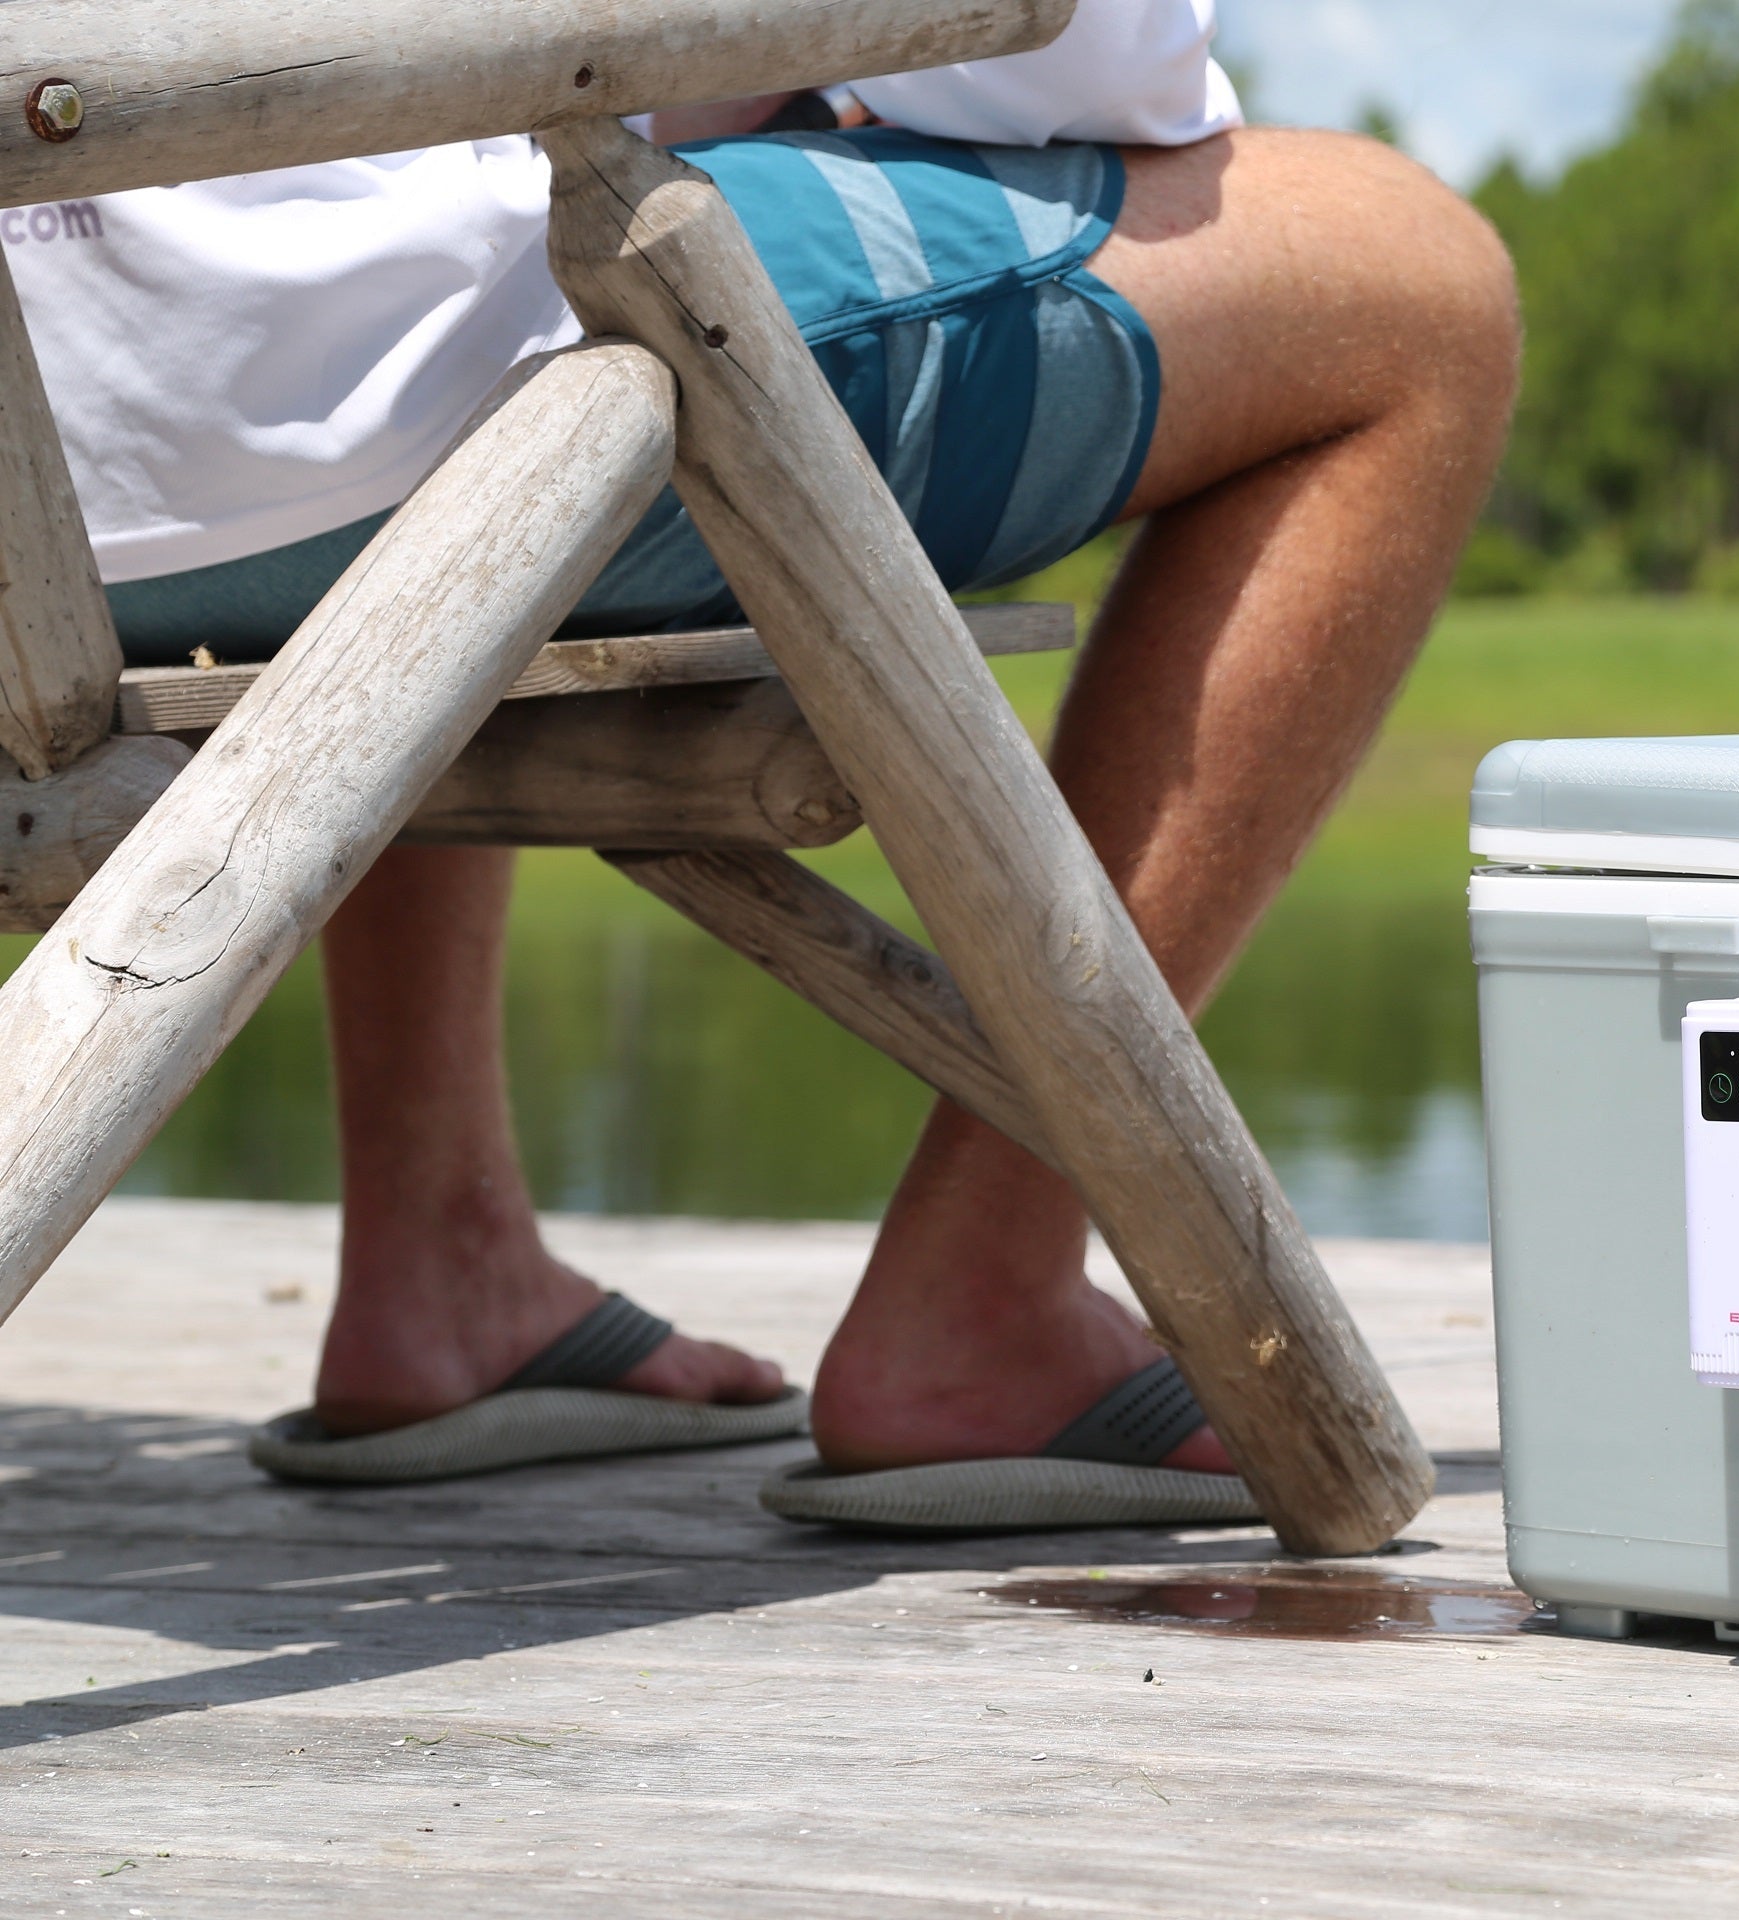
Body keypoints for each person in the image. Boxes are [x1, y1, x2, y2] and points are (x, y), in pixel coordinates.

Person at [9, 0, 1518, 1524]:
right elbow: (1088, 59)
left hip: (49, 506)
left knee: (491, 154)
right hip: (371, 411)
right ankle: (983, 1295)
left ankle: (443, 1256)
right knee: (1403, 280)